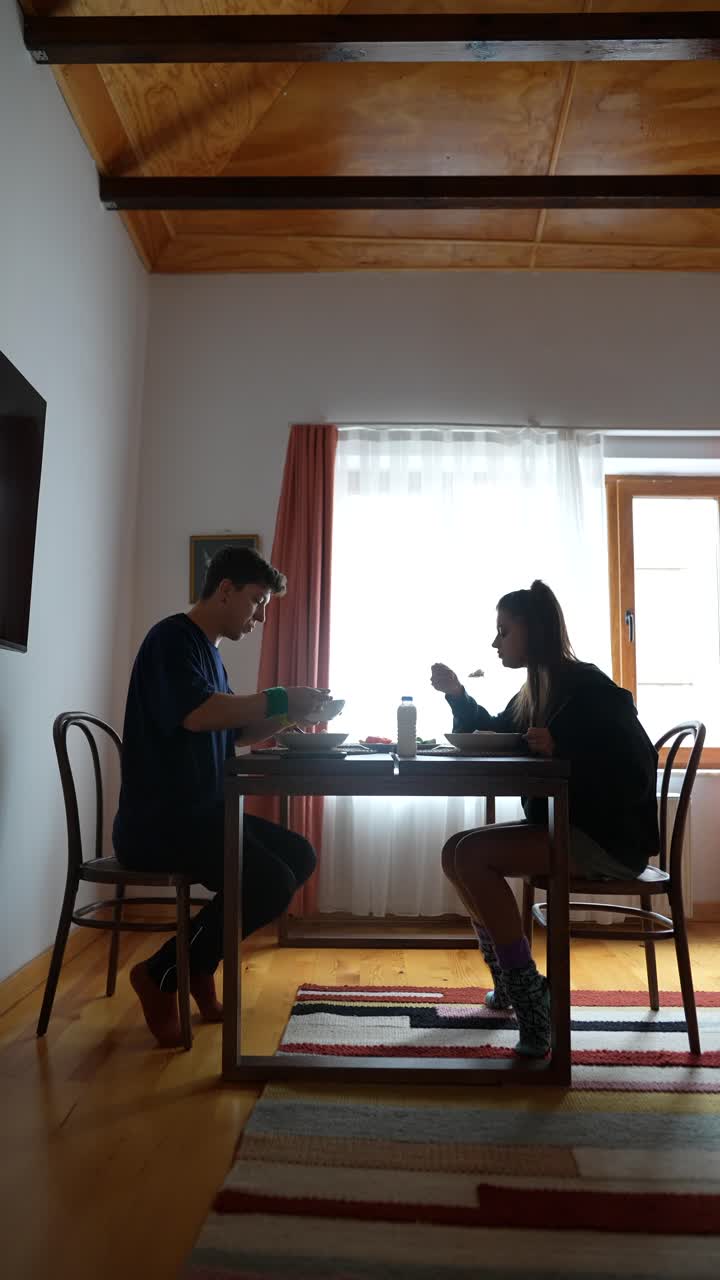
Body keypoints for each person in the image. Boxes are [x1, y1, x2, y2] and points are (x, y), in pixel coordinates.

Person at [113, 544, 330, 1047]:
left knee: (298, 854)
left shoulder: (208, 654)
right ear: (226, 590)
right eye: (256, 601)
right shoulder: (172, 639)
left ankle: (195, 965)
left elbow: (231, 731)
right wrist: (279, 696)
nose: (259, 617)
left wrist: (293, 714)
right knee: (269, 881)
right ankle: (162, 973)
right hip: (160, 823)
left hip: (199, 816)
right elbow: (197, 715)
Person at [431, 579, 659, 1058]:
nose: (495, 643)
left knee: (472, 855)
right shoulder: (537, 687)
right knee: (456, 851)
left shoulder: (586, 686)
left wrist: (565, 750)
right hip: (567, 828)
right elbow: (499, 731)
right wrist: (455, 694)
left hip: (606, 840)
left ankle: (531, 996)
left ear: (533, 632)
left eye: (503, 631)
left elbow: (635, 761)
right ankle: (513, 984)